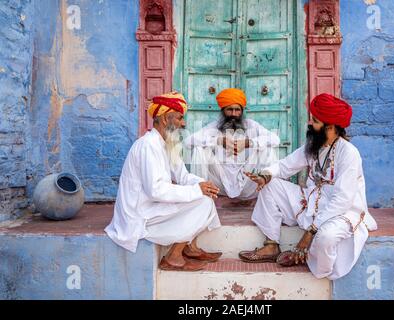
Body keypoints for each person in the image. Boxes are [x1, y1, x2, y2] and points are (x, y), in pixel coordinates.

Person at [239, 93, 378, 280]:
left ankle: (310, 261)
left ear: (330, 126)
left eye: (315, 121)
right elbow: (285, 166)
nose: (310, 124)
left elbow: (342, 200)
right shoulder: (314, 145)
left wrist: (311, 231)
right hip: (311, 201)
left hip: (341, 211)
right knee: (270, 186)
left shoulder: (349, 154)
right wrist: (265, 176)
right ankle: (271, 245)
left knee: (326, 237)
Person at [105, 92, 222, 271]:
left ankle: (190, 248)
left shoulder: (168, 144)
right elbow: (155, 190)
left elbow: (183, 176)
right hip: (140, 214)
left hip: (151, 207)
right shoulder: (148, 145)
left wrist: (203, 184)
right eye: (180, 118)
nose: (184, 124)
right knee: (202, 202)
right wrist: (197, 191)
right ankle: (174, 257)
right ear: (166, 119)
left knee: (204, 195)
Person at [184, 88, 280, 201]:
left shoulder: (250, 125)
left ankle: (270, 196)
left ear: (242, 111)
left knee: (268, 149)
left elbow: (275, 139)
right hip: (220, 183)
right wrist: (218, 141)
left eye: (237, 110)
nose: (234, 114)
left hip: (249, 181)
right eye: (230, 110)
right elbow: (188, 142)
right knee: (199, 149)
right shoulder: (215, 126)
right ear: (223, 110)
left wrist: (248, 143)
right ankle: (201, 196)